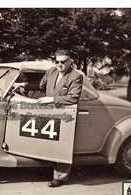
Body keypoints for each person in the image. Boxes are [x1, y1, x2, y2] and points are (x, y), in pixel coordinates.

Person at [13, 49, 84, 187]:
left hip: (65, 113)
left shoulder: (76, 76)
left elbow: (73, 97)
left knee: (62, 143)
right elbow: (40, 85)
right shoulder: (52, 71)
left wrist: (51, 99)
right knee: (49, 140)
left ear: (71, 62)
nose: (59, 64)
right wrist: (22, 85)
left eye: (63, 62)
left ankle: (60, 178)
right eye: (57, 61)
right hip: (50, 112)